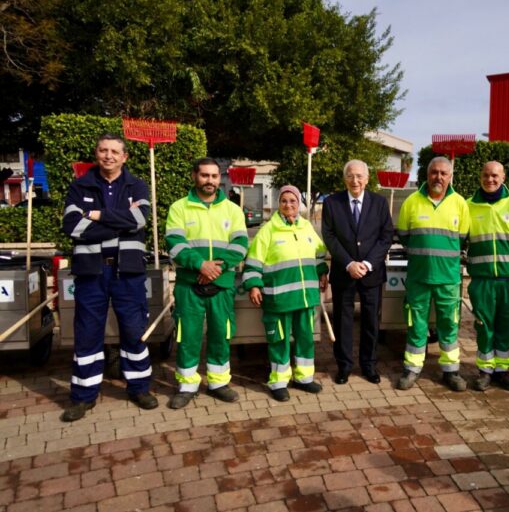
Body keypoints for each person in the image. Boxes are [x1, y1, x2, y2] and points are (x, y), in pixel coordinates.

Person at [60, 133, 157, 421]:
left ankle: (139, 388)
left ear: (124, 157)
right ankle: (83, 396)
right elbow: (72, 227)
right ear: (96, 153)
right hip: (92, 271)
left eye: (115, 151)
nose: (108, 156)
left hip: (127, 270)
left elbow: (139, 221)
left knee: (133, 330)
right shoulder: (80, 186)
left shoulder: (136, 185)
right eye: (103, 150)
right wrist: (119, 223)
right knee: (87, 333)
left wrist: (97, 215)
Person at [165, 158, 248, 409]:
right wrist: (201, 265)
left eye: (214, 176)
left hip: (221, 284)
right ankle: (187, 385)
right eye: (204, 176)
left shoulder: (232, 210)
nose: (209, 181)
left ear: (219, 178)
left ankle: (218, 383)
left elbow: (241, 245)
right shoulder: (179, 208)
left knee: (220, 333)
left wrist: (215, 267)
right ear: (194, 176)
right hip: (189, 284)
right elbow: (175, 244)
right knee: (187, 335)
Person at [244, 185, 329, 402]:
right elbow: (253, 262)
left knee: (305, 339)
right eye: (284, 201)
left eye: (293, 200)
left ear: (299, 203)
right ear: (278, 204)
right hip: (278, 299)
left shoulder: (307, 228)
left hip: (305, 297)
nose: (288, 204)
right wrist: (254, 285)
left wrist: (322, 272)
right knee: (279, 341)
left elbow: (319, 254)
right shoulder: (268, 231)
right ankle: (278, 381)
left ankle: (304, 378)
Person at [395, 156, 470, 392]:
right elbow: (404, 236)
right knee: (416, 325)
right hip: (418, 277)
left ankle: (451, 371)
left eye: (443, 173)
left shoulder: (460, 204)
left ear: (450, 177)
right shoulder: (412, 202)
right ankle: (412, 368)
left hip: (448, 280)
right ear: (427, 175)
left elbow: (463, 238)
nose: (438, 177)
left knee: (449, 324)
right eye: (434, 172)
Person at [321, 160, 394, 385]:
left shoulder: (380, 203)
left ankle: (369, 365)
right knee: (343, 322)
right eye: (351, 176)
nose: (355, 181)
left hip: (371, 273)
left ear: (367, 178)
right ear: (345, 179)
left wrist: (369, 263)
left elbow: (386, 235)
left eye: (360, 176)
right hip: (345, 273)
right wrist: (349, 264)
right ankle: (344, 366)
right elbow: (329, 236)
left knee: (371, 321)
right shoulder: (332, 203)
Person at [466, 161, 509, 392]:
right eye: (485, 175)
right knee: (484, 326)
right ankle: (485, 370)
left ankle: (503, 369)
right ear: (480, 177)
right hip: (482, 281)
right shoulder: (468, 205)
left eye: (494, 176)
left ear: (503, 178)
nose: (490, 180)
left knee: (506, 325)